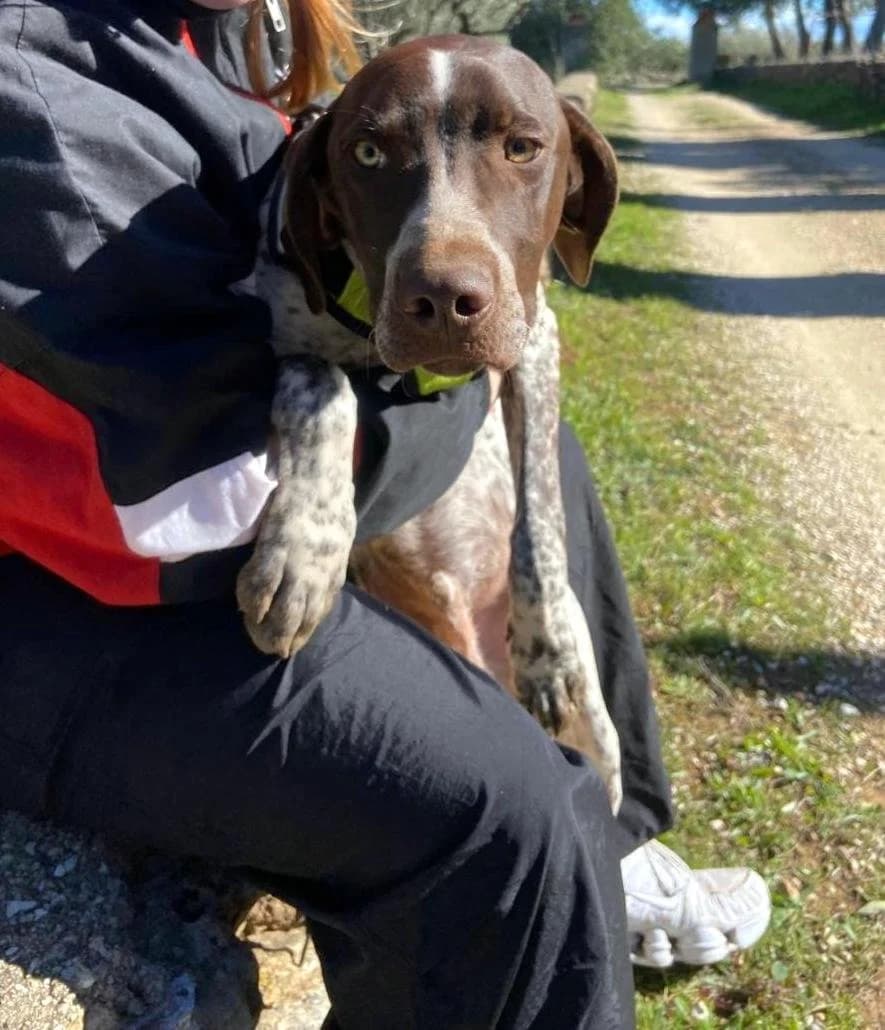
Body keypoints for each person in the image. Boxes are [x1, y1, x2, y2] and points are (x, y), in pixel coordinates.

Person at [0, 1, 770, 1026]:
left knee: (545, 439)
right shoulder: (34, 80)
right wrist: (443, 393)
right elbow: (188, 499)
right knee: (508, 807)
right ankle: (570, 846)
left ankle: (618, 845)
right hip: (82, 611)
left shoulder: (214, 28)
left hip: (183, 522)